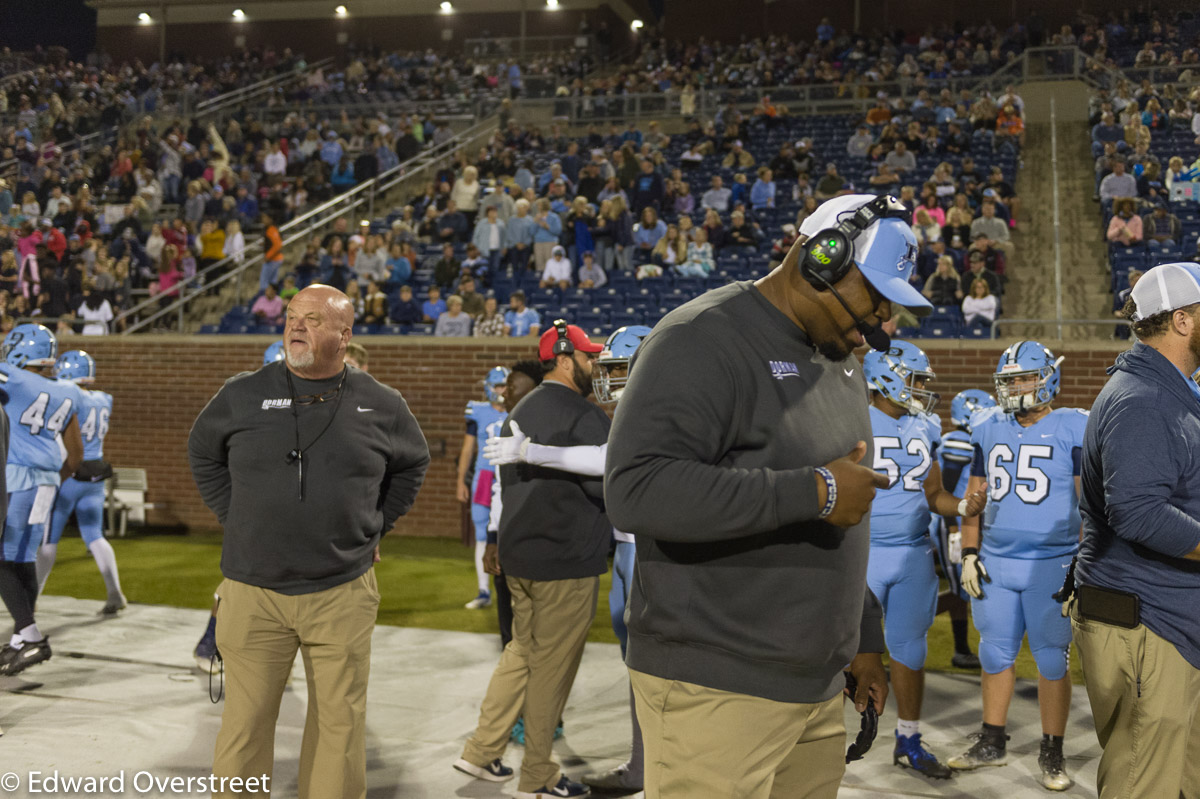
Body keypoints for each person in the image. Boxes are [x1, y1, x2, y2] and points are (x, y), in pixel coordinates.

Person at [604, 194, 935, 798]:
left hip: (812, 686)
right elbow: (637, 488)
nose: (883, 319)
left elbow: (839, 519)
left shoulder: (837, 355)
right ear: (821, 260)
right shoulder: (700, 339)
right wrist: (815, 489)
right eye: (876, 295)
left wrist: (859, 635)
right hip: (718, 688)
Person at [188, 285, 430, 799]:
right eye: (293, 316)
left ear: (344, 336)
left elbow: (412, 464)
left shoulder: (382, 403)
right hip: (254, 592)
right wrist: (236, 515)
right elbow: (203, 454)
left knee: (339, 728)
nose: (296, 325)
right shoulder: (241, 392)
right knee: (244, 725)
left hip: (341, 590)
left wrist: (376, 525)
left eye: (314, 319)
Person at [484, 324, 654, 795]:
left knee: (661, 663)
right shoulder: (607, 411)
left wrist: (531, 451)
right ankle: (643, 765)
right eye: (606, 364)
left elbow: (607, 460)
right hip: (622, 548)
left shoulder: (662, 408)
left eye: (619, 368)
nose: (607, 375)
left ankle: (669, 766)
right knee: (635, 659)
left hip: (652, 549)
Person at [453, 321, 609, 799]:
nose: (594, 364)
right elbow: (605, 482)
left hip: (522, 555)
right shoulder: (584, 415)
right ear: (565, 360)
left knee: (521, 652)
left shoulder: (517, 410)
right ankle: (538, 774)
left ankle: (480, 751)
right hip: (564, 558)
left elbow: (505, 485)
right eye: (587, 357)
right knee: (552, 667)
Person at [1073, 262, 1200, 798]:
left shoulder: (1164, 390)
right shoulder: (1143, 400)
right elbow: (1138, 513)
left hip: (1166, 621)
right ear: (1183, 321)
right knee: (1143, 780)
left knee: (1181, 775)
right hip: (1148, 622)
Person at [948, 341, 1088, 792]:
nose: (1014, 388)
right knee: (993, 652)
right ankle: (992, 740)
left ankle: (1052, 748)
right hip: (998, 562)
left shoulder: (1073, 427)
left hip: (1053, 562)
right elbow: (972, 500)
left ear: (1047, 378)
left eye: (1023, 378)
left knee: (1051, 659)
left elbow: (1092, 507)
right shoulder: (988, 427)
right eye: (1008, 380)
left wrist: (1082, 565)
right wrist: (969, 552)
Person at [863, 341, 989, 781]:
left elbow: (933, 494)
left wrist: (962, 508)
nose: (920, 389)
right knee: (841, 653)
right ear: (886, 378)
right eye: (914, 379)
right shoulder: (850, 419)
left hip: (914, 552)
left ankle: (908, 737)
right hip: (861, 554)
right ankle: (819, 741)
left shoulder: (926, 425)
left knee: (910, 651)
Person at [0, 324, 84, 676]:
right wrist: (54, 478)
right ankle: (22, 638)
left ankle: (31, 636)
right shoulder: (66, 390)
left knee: (3, 558)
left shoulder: (13, 379)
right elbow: (76, 456)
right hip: (49, 480)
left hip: (18, 478)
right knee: (22, 559)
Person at [35, 350, 125, 613]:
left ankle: (31, 600)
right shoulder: (104, 399)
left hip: (70, 474)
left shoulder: (70, 398)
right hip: (95, 475)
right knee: (94, 535)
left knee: (49, 540)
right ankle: (114, 593)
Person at [931, 390, 996, 671]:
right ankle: (905, 619)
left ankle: (961, 649)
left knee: (962, 590)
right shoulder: (959, 442)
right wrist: (954, 532)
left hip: (958, 524)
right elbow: (946, 491)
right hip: (953, 525)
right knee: (964, 590)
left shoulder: (957, 439)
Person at [457, 367, 510, 610]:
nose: (502, 391)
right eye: (498, 386)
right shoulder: (477, 412)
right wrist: (460, 481)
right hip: (485, 475)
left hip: (509, 475)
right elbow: (468, 449)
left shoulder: (517, 409)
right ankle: (483, 590)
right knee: (481, 528)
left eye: (504, 386)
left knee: (508, 528)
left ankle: (509, 587)